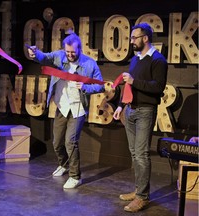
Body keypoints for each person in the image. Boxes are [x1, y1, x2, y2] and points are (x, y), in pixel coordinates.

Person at [27, 33, 104, 189]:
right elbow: (44, 58)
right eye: (67, 52)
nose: (69, 55)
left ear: (80, 49)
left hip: (78, 108)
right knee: (57, 142)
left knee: (71, 141)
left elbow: (100, 85)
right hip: (62, 106)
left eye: (73, 52)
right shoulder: (59, 56)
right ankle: (63, 164)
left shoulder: (90, 64)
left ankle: (75, 176)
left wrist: (86, 87)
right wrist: (35, 53)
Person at [113, 23, 168, 212]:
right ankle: (138, 191)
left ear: (145, 38)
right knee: (135, 153)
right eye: (131, 38)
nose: (131, 41)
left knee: (142, 154)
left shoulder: (158, 60)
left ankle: (143, 197)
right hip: (130, 110)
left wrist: (135, 81)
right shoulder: (136, 58)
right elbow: (128, 86)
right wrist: (120, 106)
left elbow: (158, 87)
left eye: (134, 38)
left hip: (145, 111)